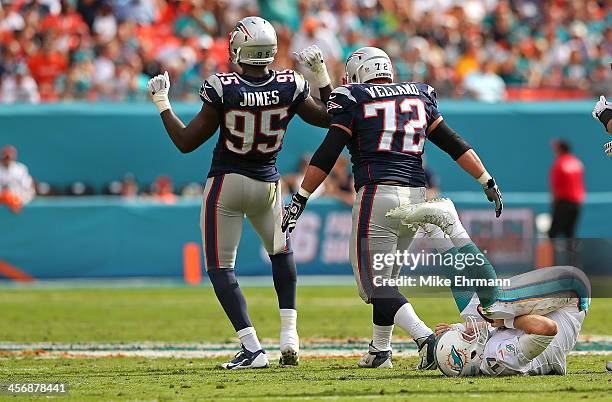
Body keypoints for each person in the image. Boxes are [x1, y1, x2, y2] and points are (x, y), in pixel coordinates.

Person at [281, 47, 502, 370]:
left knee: (373, 284)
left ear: (359, 73)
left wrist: (300, 197)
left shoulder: (354, 97)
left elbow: (328, 151)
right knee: (387, 279)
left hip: (377, 195)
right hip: (416, 196)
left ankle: (425, 338)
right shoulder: (417, 94)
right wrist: (486, 179)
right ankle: (380, 349)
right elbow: (453, 142)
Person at [146, 17, 332, 370]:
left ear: (239, 48)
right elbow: (330, 116)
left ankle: (252, 347)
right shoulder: (290, 84)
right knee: (281, 251)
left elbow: (186, 142)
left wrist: (161, 102)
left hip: (226, 183)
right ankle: (289, 334)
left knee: (220, 266)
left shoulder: (223, 86)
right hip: (268, 185)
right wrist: (322, 78)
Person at [434, 268, 589, 377]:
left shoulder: (484, 354)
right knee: (485, 307)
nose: (469, 332)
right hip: (570, 305)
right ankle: (449, 228)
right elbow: (546, 327)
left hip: (559, 316)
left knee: (479, 312)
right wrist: (507, 320)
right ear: (471, 354)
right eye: (466, 337)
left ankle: (441, 231)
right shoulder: (497, 359)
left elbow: (491, 327)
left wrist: (456, 329)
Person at [549, 140, 584, 241]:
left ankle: (552, 257)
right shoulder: (577, 163)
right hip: (577, 203)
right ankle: (573, 257)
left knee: (552, 233)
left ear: (560, 150)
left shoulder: (559, 163)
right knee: (570, 233)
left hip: (563, 202)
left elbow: (555, 187)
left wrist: (554, 203)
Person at [0, 145, 35, 213]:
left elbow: (29, 189)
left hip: (18, 203)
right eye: (5, 157)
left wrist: (18, 200)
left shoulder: (20, 169)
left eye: (9, 157)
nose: (7, 159)